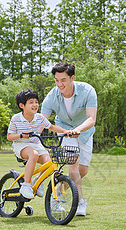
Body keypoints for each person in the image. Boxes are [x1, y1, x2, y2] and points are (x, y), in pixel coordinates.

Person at [41, 62, 97, 216]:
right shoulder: (52, 95)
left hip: (84, 132)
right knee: (73, 166)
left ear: (72, 78)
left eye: (63, 80)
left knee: (82, 170)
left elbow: (92, 119)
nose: (59, 84)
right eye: (57, 80)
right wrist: (31, 139)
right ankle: (79, 202)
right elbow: (41, 121)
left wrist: (78, 129)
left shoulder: (87, 91)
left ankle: (57, 190)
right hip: (65, 131)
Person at [7, 89, 70, 199]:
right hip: (21, 145)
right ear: (22, 105)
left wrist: (66, 132)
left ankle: (38, 181)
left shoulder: (39, 118)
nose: (35, 105)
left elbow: (52, 127)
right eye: (31, 102)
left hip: (36, 144)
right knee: (34, 154)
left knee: (49, 162)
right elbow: (9, 136)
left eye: (36, 102)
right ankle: (26, 185)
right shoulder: (16, 118)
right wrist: (21, 135)